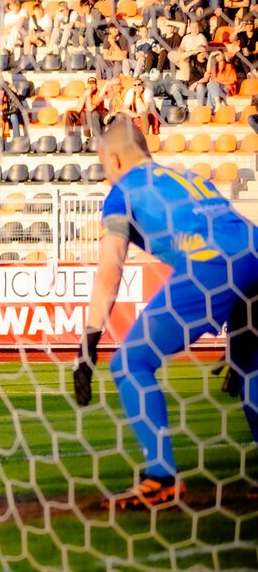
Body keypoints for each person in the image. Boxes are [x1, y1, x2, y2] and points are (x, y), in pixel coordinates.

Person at [73, 120, 258, 509]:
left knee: (130, 363)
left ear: (115, 158)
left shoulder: (123, 191)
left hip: (211, 263)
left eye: (103, 165)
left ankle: (161, 478)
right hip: (253, 251)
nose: (105, 174)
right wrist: (242, 326)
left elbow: (110, 267)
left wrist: (88, 342)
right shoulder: (188, 178)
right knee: (250, 368)